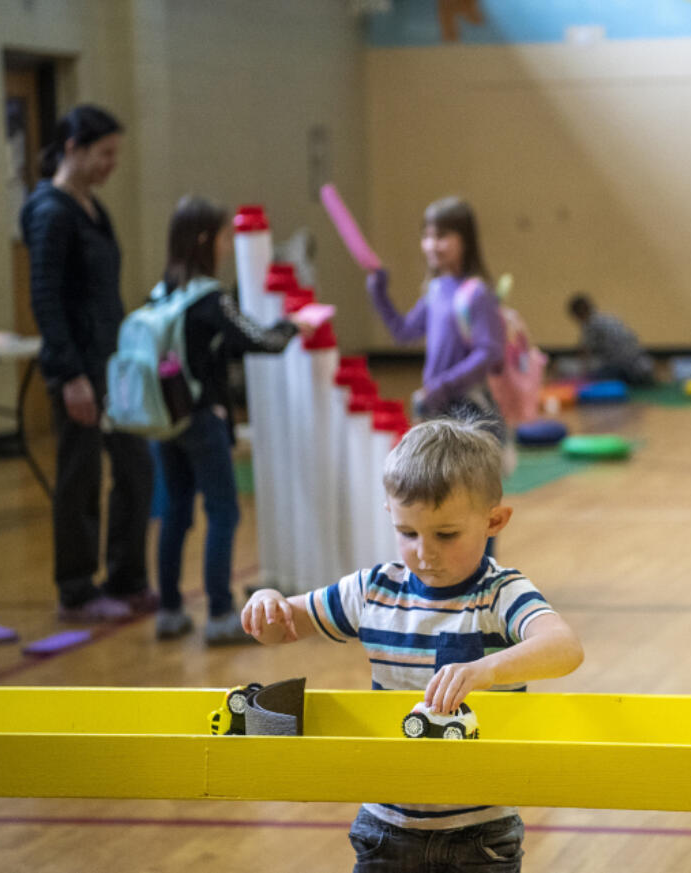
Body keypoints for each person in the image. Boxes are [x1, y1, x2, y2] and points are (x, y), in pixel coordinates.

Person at [241, 417, 583, 872]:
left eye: (446, 534)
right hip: (386, 826)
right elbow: (283, 626)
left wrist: (487, 670)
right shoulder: (373, 589)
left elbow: (565, 647)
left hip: (481, 832)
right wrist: (267, 605)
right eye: (408, 533)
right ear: (391, 516)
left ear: (494, 521)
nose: (425, 551)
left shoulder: (500, 593)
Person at [151, 196, 314, 644]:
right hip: (203, 419)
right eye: (224, 237)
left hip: (164, 419)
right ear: (206, 239)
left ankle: (169, 610)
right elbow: (258, 339)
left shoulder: (162, 292)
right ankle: (221, 614)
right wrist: (294, 326)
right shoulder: (209, 298)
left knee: (175, 514)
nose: (227, 246)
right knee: (222, 511)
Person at [20, 104, 155, 622]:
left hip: (113, 366)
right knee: (79, 477)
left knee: (136, 468)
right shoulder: (50, 211)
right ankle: (76, 589)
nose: (111, 164)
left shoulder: (91, 206)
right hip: (77, 369)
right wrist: (70, 376)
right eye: (104, 153)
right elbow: (45, 299)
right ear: (72, 148)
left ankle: (125, 578)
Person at [365, 196, 506, 439]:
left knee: (467, 477)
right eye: (426, 236)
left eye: (441, 237)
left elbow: (489, 352)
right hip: (438, 406)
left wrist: (444, 385)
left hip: (469, 410)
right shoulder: (436, 289)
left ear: (465, 241)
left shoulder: (477, 293)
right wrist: (379, 294)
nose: (431, 245)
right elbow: (403, 333)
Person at [566, 292, 655, 385]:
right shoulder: (608, 318)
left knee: (591, 377)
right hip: (643, 365)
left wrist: (583, 373)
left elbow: (584, 353)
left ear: (579, 313)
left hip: (624, 369)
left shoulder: (590, 324)